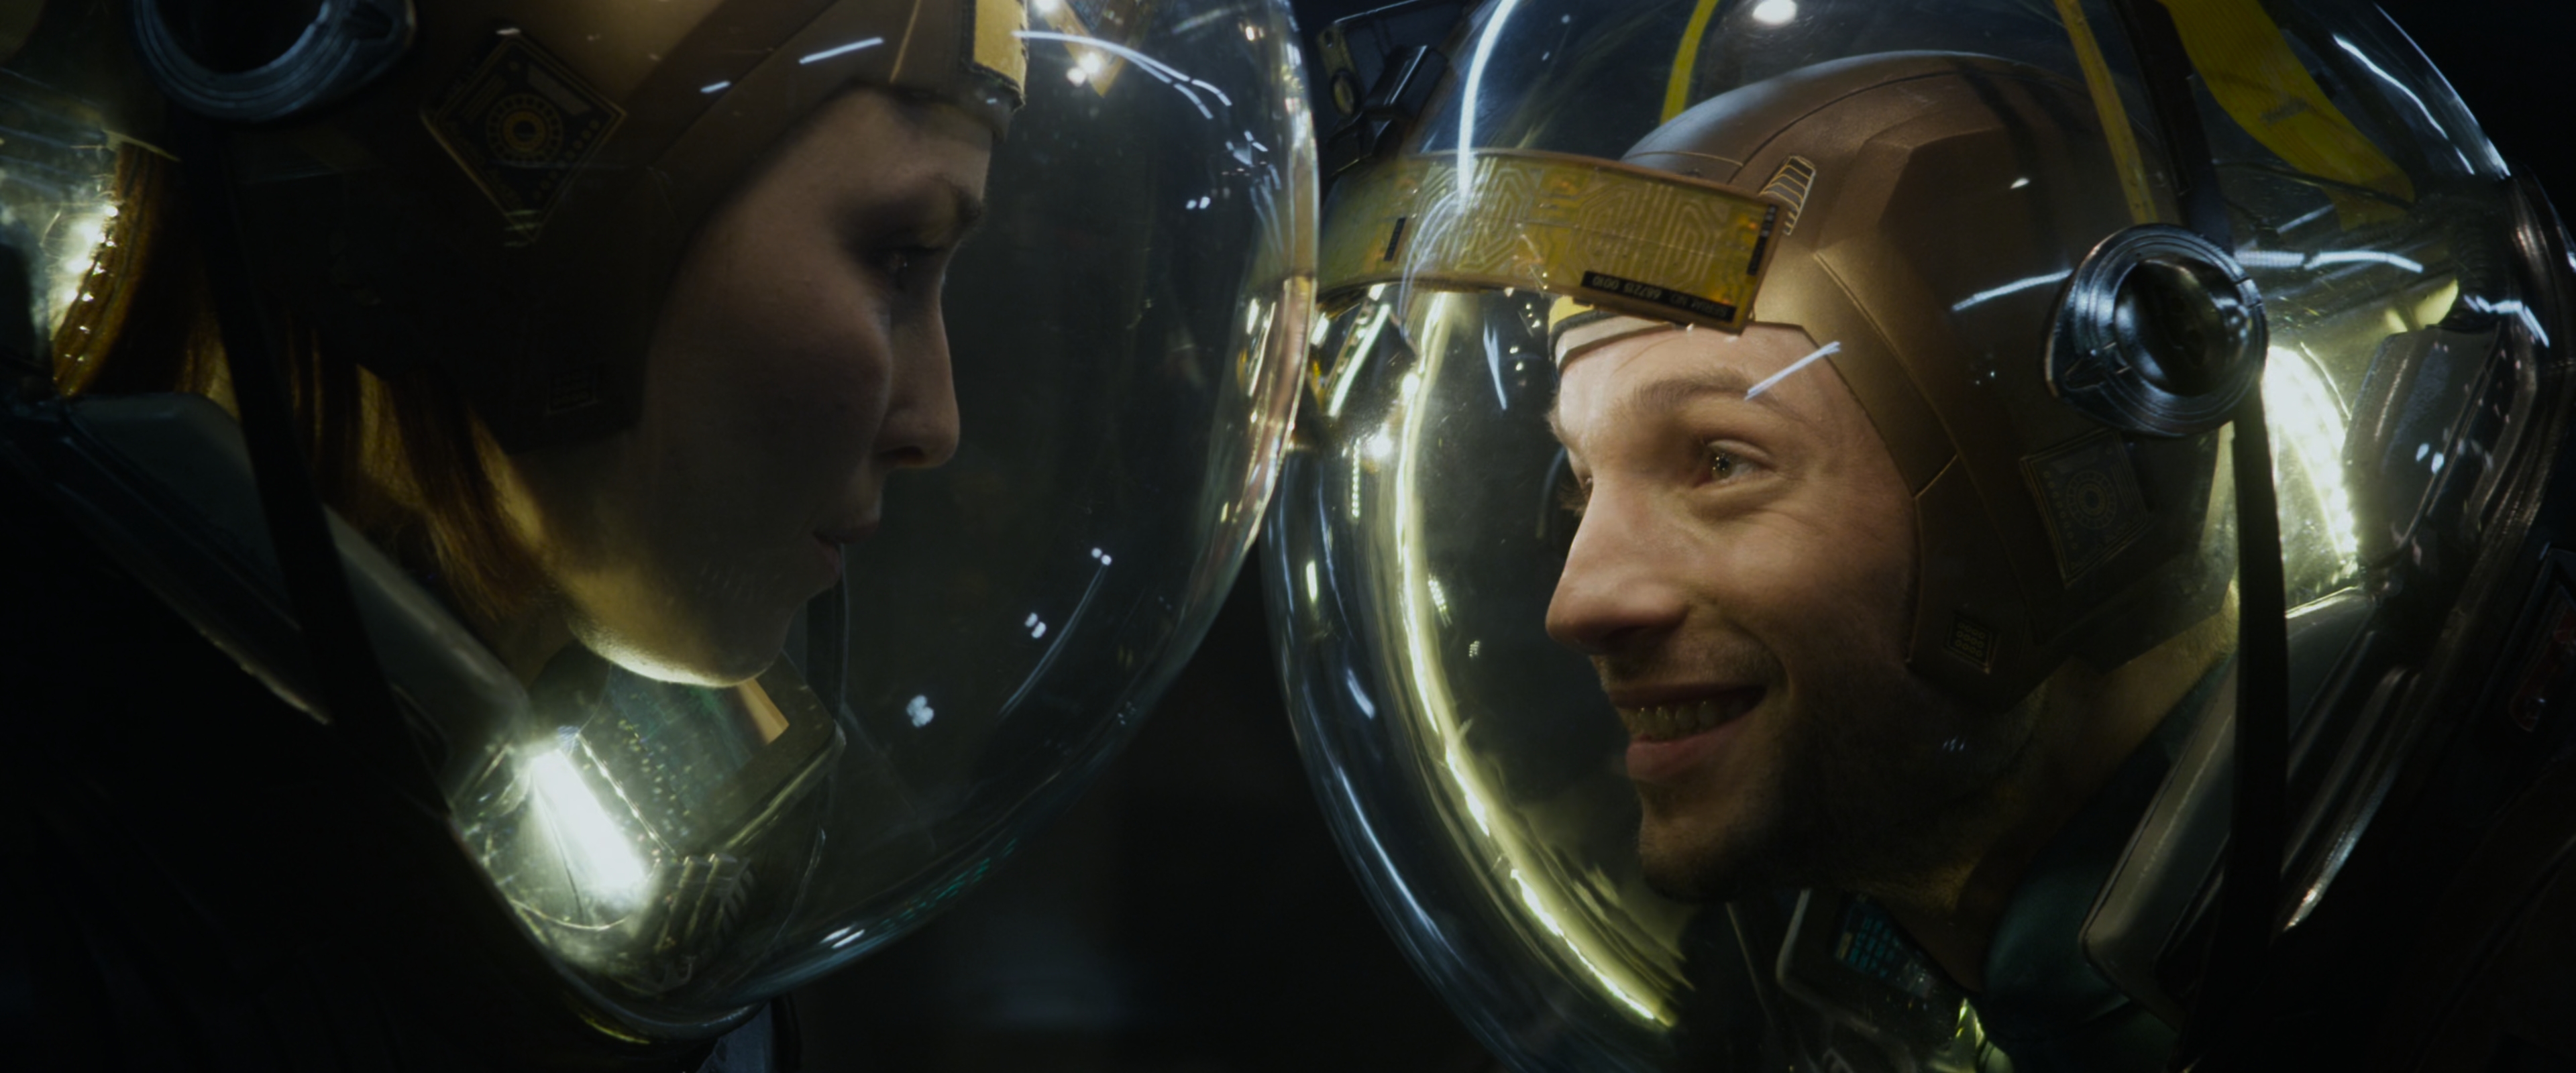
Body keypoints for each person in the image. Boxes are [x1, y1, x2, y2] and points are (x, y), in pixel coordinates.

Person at [0, 0, 1316, 1067]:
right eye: (899, 255)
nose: (937, 421)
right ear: (512, 198)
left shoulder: (610, 917)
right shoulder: (67, 931)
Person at [1274, 1, 2576, 1070]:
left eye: (1721, 462)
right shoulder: (1792, 994)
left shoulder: (2515, 958)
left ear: (2068, 506)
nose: (1580, 601)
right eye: (1580, 483)